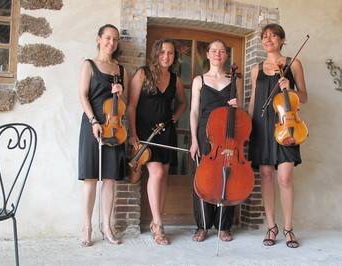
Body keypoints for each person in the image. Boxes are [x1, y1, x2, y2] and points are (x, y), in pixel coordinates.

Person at [248, 23, 308, 248]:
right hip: (262, 125)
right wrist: (248, 123)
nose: (268, 39)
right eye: (264, 36)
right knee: (265, 175)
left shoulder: (294, 63)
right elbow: (254, 101)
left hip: (287, 124)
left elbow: (304, 97)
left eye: (273, 36)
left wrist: (290, 89)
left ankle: (289, 228)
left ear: (282, 40)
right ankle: (271, 227)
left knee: (285, 177)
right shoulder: (256, 69)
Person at [127, 39, 187, 245]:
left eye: (170, 53)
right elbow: (131, 106)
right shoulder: (143, 73)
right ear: (156, 54)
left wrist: (175, 117)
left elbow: (182, 103)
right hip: (145, 132)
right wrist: (133, 134)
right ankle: (159, 224)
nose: (166, 56)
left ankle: (155, 221)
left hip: (166, 132)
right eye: (162, 52)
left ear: (174, 57)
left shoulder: (175, 79)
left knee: (164, 177)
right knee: (157, 172)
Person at [78, 24, 129, 247]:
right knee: (90, 178)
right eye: (107, 38)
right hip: (93, 125)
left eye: (115, 39)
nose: (111, 43)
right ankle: (87, 226)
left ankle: (107, 225)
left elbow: (123, 105)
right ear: (99, 39)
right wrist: (93, 121)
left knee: (110, 179)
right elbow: (82, 96)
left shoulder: (121, 70)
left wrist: (121, 93)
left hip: (114, 126)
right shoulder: (88, 65)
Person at [189, 39, 241, 242]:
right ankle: (202, 225)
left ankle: (223, 226)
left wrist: (237, 106)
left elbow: (240, 114)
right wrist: (194, 140)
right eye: (214, 50)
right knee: (202, 178)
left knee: (228, 178)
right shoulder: (199, 80)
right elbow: (194, 112)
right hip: (204, 135)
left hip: (228, 136)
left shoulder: (234, 80)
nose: (218, 54)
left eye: (222, 51)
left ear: (226, 56)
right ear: (208, 55)